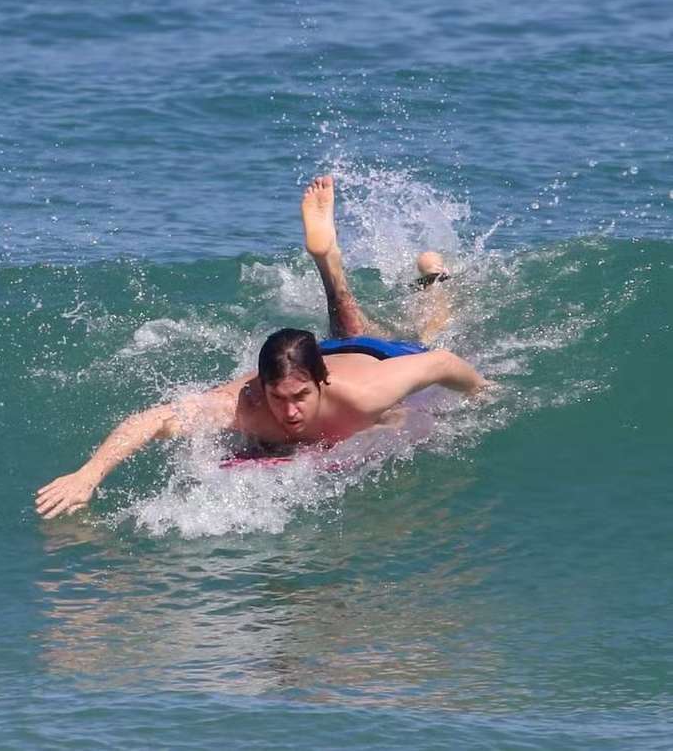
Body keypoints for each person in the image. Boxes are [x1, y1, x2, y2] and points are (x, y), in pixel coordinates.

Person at [36, 175, 486, 519]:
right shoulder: (244, 403)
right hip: (322, 352)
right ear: (261, 385)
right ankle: (332, 260)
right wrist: (87, 474)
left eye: (300, 398)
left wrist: (483, 393)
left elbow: (443, 363)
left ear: (321, 385)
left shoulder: (367, 393)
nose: (288, 412)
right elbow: (153, 420)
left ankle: (434, 278)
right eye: (279, 398)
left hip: (381, 358)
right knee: (343, 325)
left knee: (432, 332)